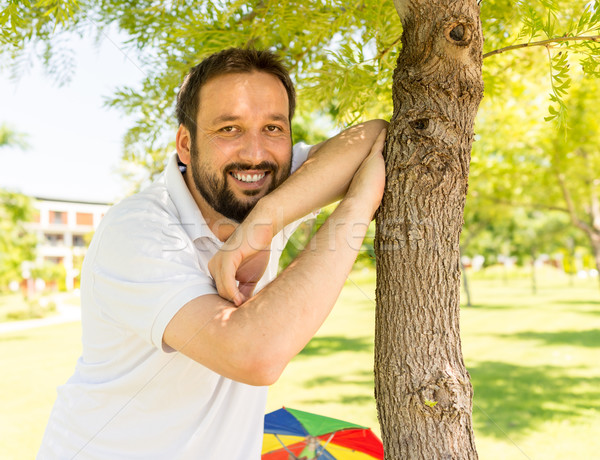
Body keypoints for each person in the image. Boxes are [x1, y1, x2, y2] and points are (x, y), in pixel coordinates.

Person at [38, 48, 387, 459]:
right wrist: (358, 207)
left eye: (273, 127)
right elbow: (254, 354)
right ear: (185, 144)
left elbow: (373, 133)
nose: (255, 154)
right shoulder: (138, 230)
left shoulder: (271, 189)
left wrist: (263, 222)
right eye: (229, 129)